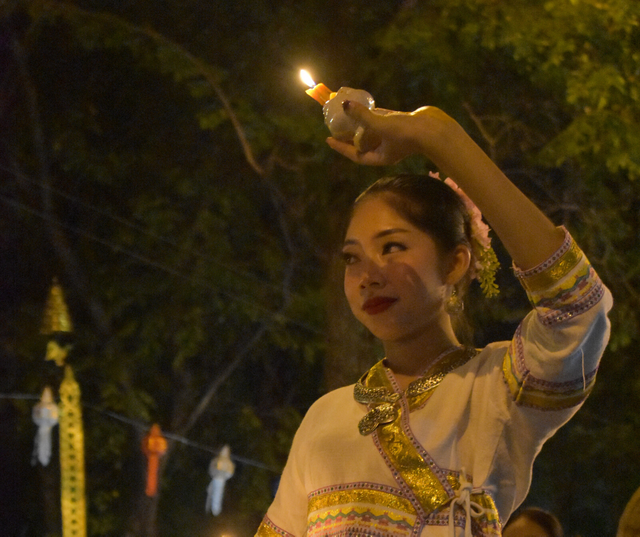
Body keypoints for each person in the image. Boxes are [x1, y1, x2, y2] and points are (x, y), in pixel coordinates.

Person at [255, 100, 612, 536]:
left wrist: (437, 136)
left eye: (392, 247)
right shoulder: (322, 419)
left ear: (456, 263)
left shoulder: (496, 392)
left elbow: (576, 305)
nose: (369, 276)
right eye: (353, 258)